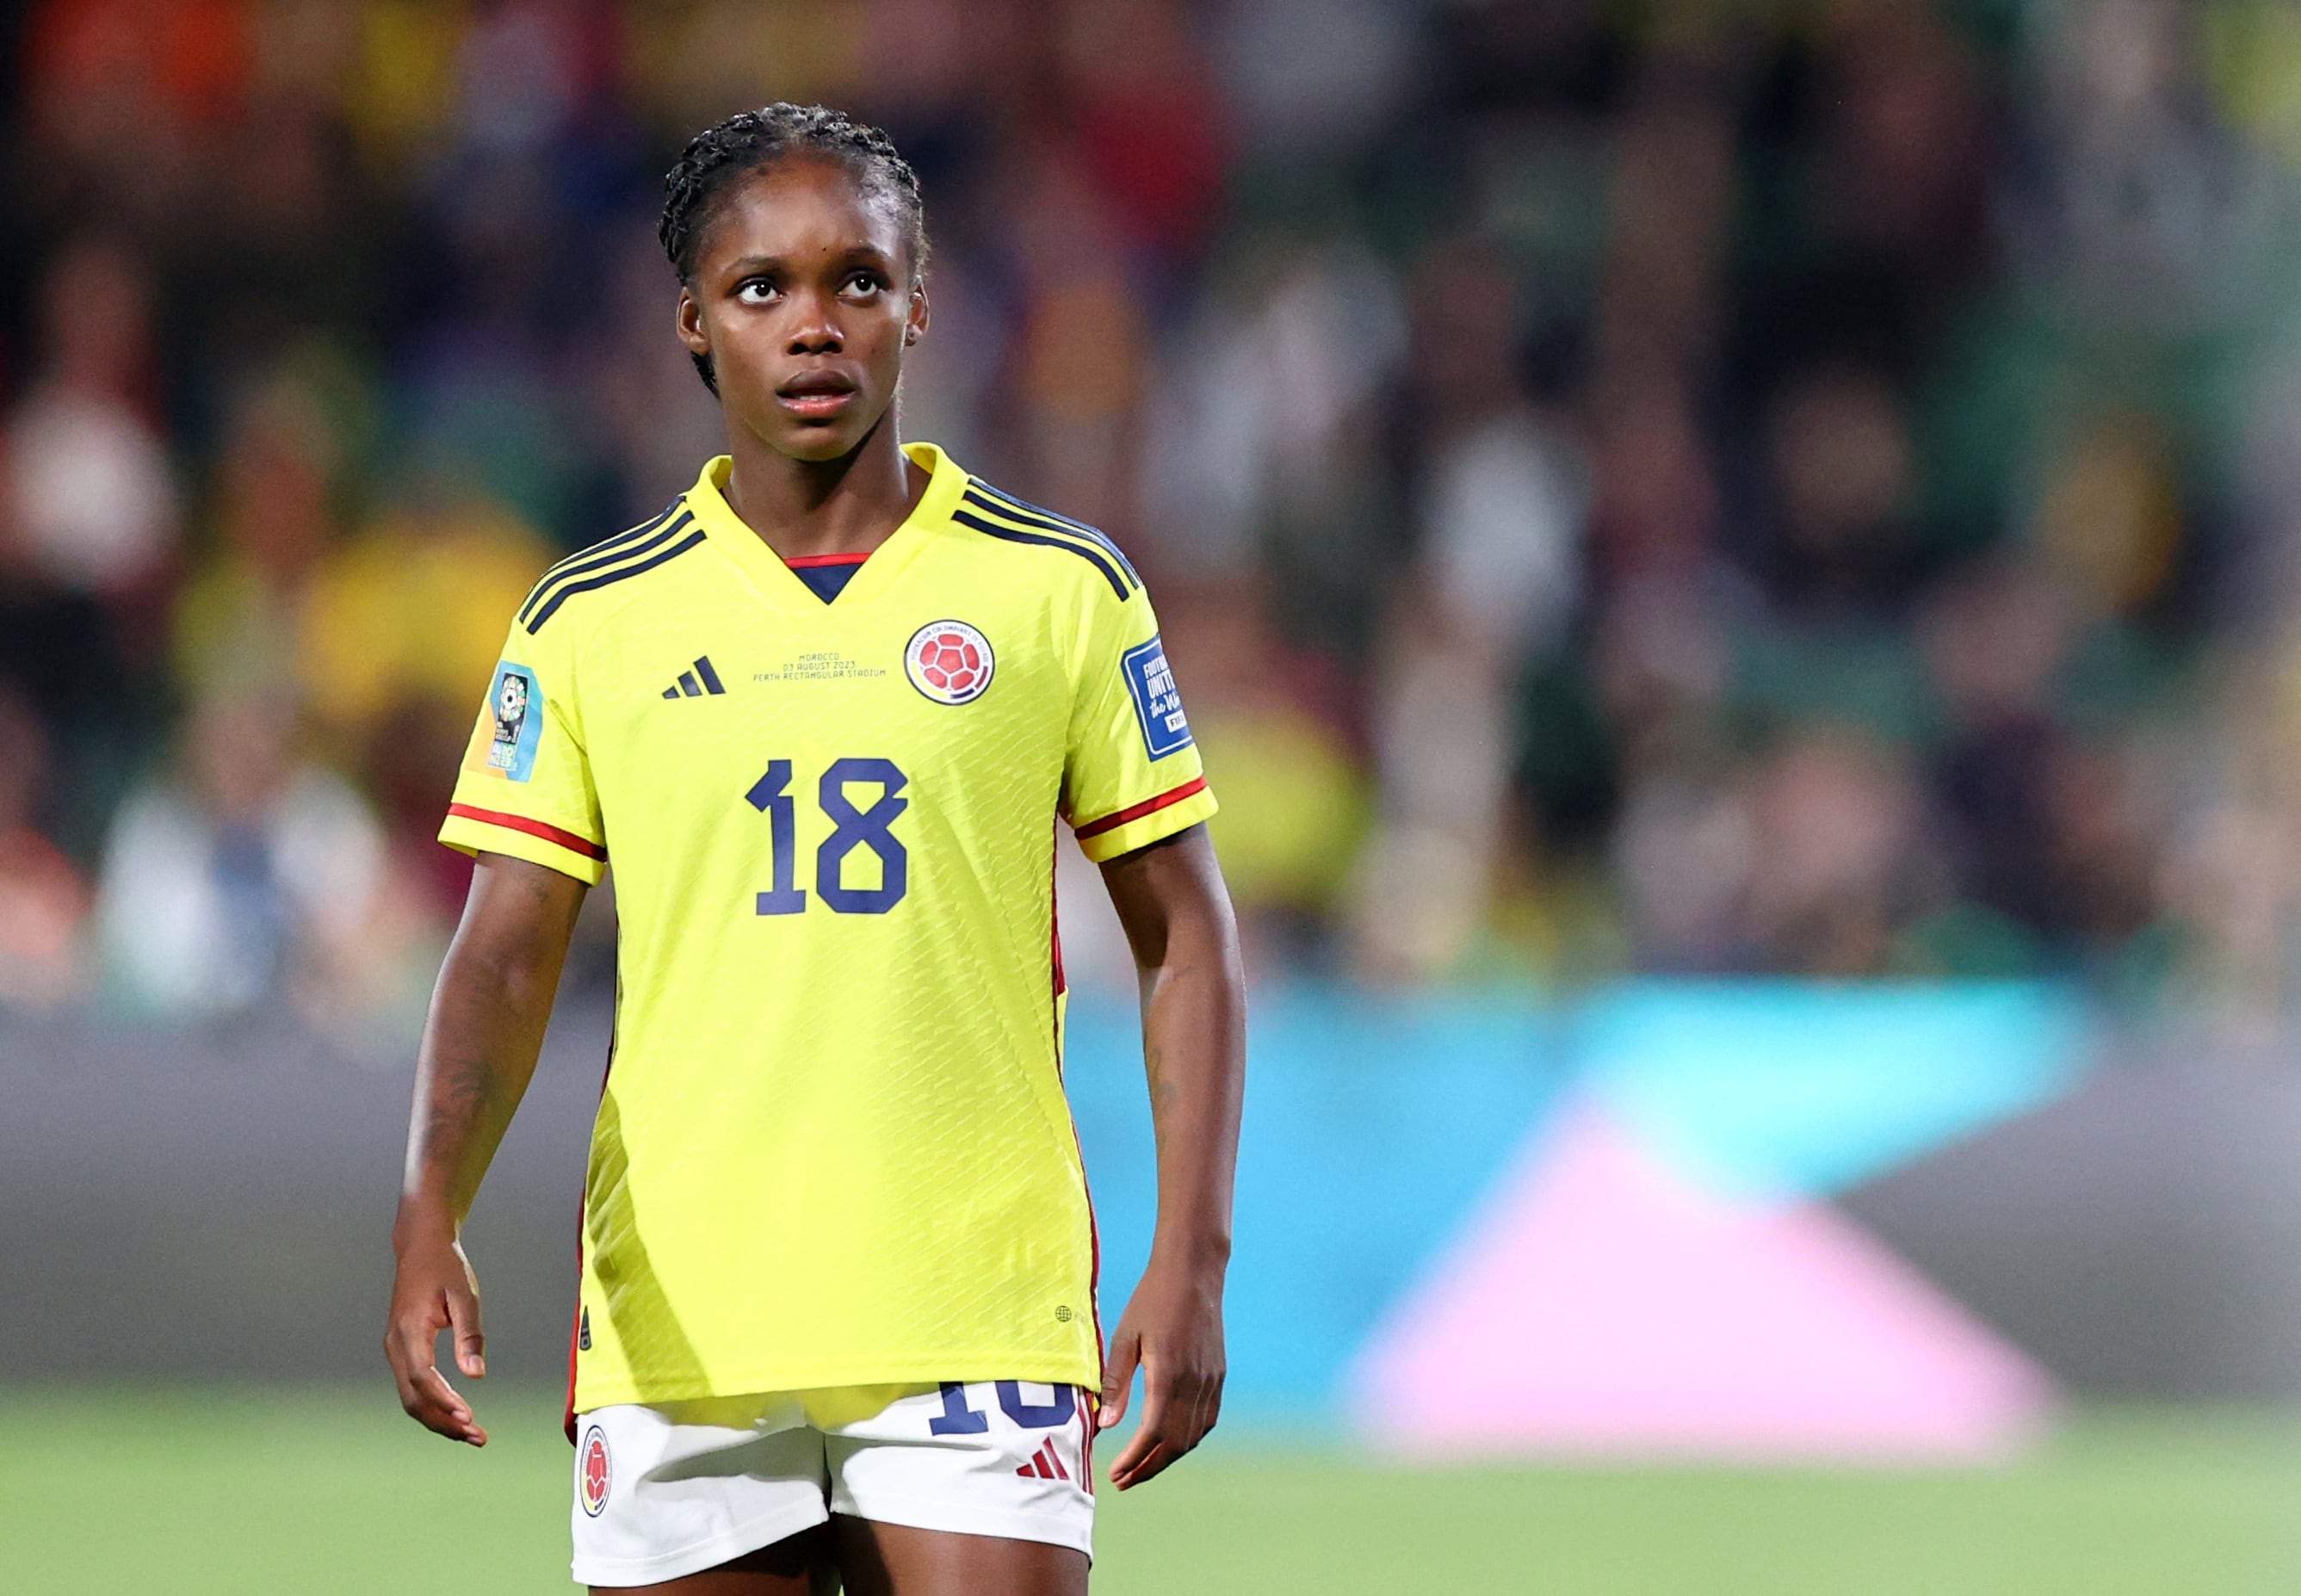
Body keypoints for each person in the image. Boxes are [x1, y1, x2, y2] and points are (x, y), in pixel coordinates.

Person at [383, 103, 1246, 1596]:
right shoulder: (591, 618)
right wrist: (426, 1209)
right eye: (759, 286)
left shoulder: (1058, 589)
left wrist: (1193, 1256)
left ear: (920, 304)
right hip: (683, 1318)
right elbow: (503, 955)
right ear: (692, 322)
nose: (812, 323)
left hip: (975, 1305)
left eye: (857, 278)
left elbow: (1184, 937)